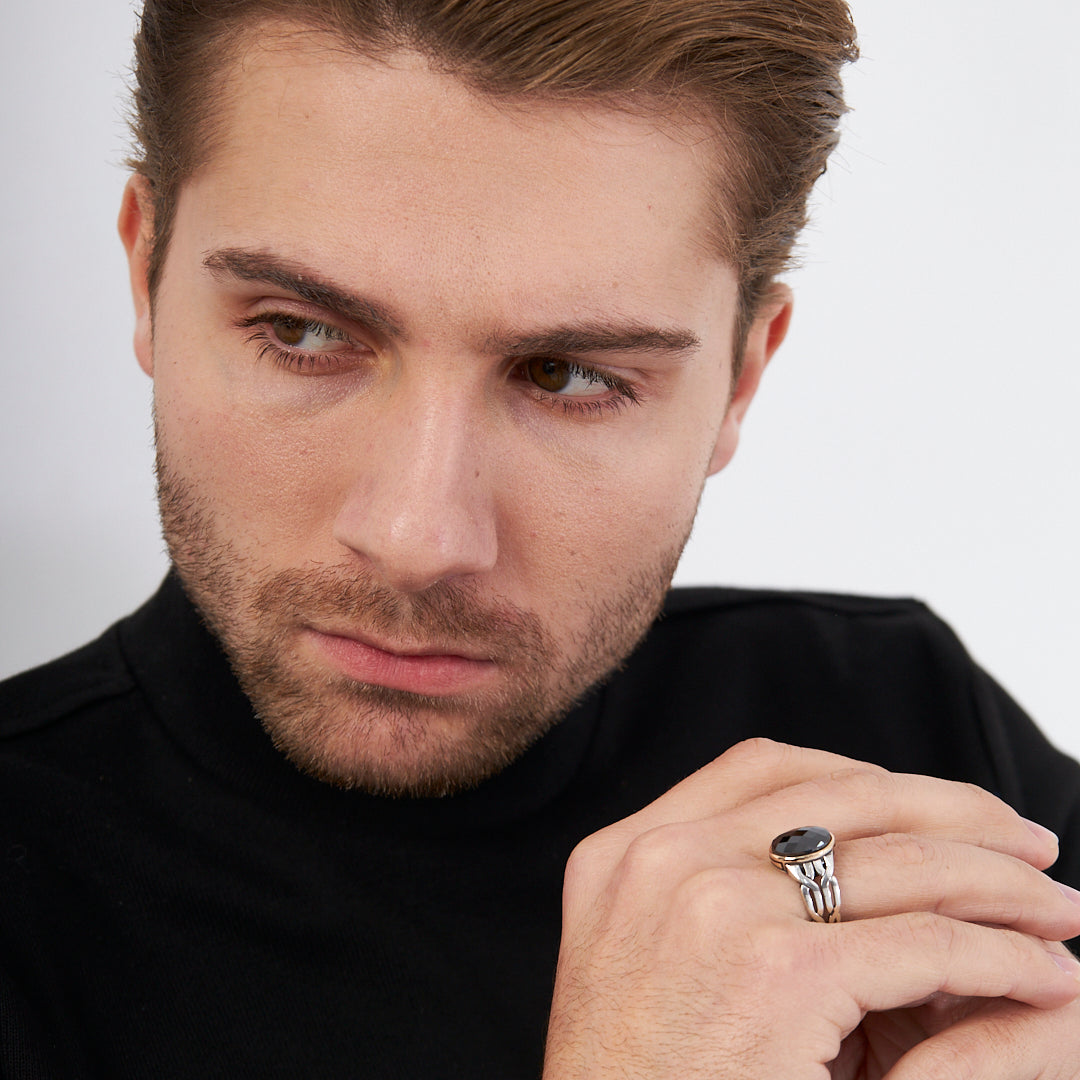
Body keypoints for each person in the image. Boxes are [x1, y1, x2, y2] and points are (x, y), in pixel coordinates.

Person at [2, 1, 1078, 1076]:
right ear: (146, 274)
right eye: (303, 332)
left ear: (743, 378)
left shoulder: (901, 730)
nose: (419, 537)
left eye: (568, 376)